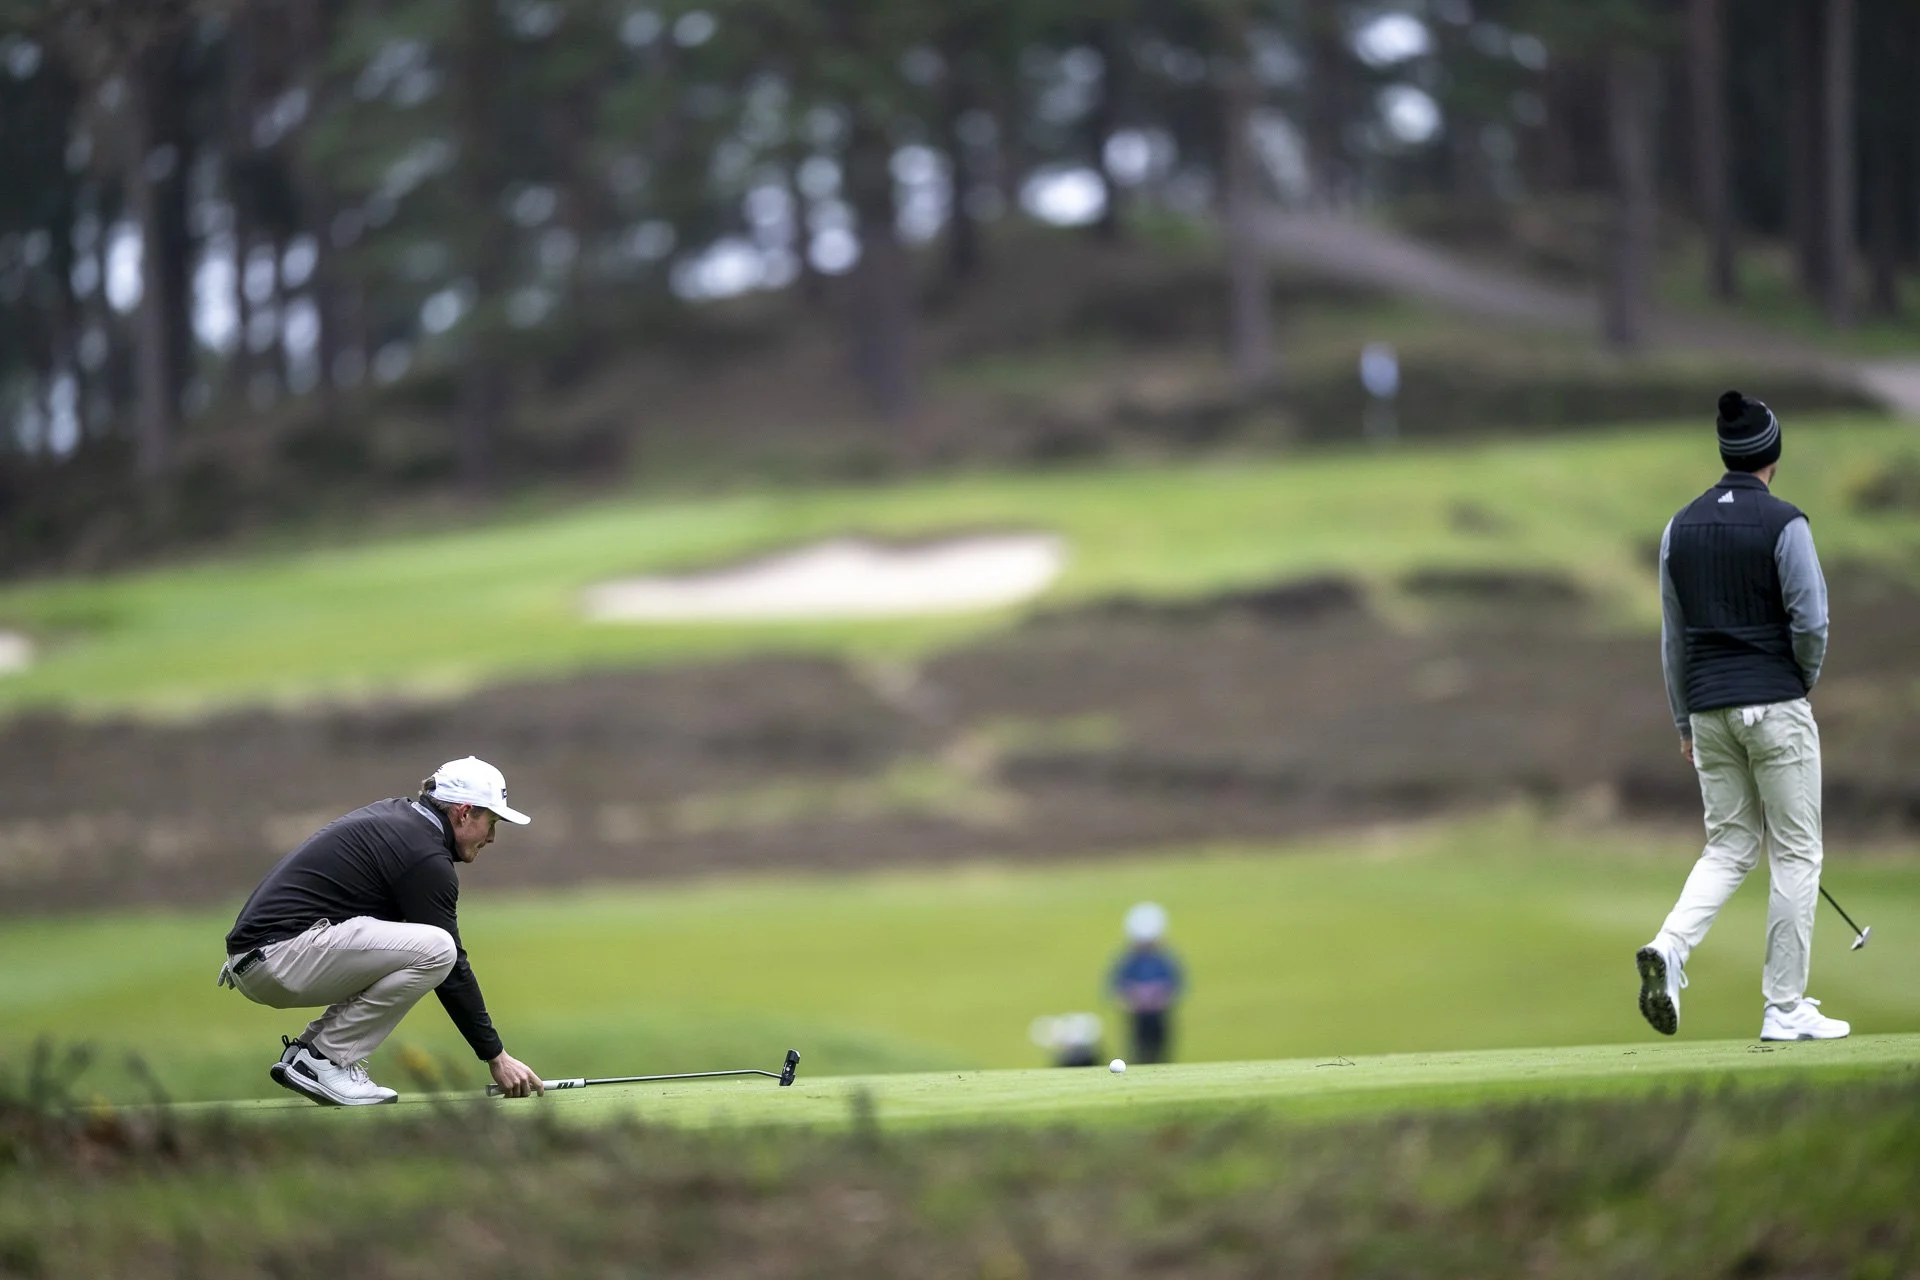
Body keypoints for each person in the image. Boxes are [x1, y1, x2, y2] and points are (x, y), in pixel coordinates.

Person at [1636, 391, 1847, 1043]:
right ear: (1772, 454)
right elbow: (1812, 622)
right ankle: (1784, 1006)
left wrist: (1683, 721)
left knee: (1729, 846)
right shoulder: (1786, 524)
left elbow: (1674, 638)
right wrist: (1798, 681)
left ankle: (1669, 948)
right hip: (1773, 705)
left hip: (1707, 710)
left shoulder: (1678, 528)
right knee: (1796, 851)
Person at [218, 756, 546, 1105]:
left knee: (414, 948)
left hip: (262, 956)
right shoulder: (424, 856)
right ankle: (325, 1060)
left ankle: (309, 1053)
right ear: (464, 813)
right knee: (439, 949)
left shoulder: (399, 822)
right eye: (491, 822)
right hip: (279, 956)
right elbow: (453, 970)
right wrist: (496, 1057)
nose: (492, 837)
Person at [1108, 902, 1184, 1064]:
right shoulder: (1128, 960)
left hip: (1159, 1015)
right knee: (1138, 1048)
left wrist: (1161, 997)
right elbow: (1117, 987)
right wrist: (1132, 998)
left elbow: (1175, 985)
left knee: (1160, 1048)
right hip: (1137, 1015)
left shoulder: (1164, 959)